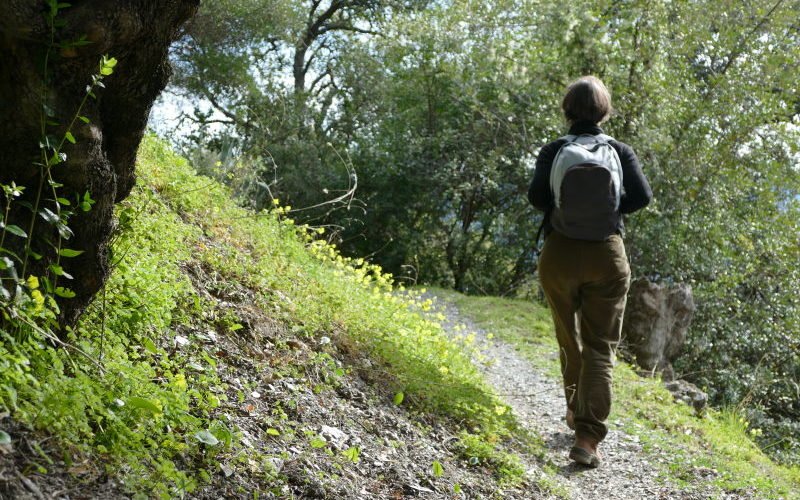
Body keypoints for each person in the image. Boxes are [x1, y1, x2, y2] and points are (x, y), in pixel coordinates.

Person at [528, 76, 652, 467]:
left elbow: (536, 197)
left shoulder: (554, 150)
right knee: (600, 346)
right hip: (607, 255)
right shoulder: (619, 150)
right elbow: (643, 197)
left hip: (560, 253)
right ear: (605, 111)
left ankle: (573, 408)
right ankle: (587, 437)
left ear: (567, 110)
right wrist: (609, 210)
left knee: (569, 338)